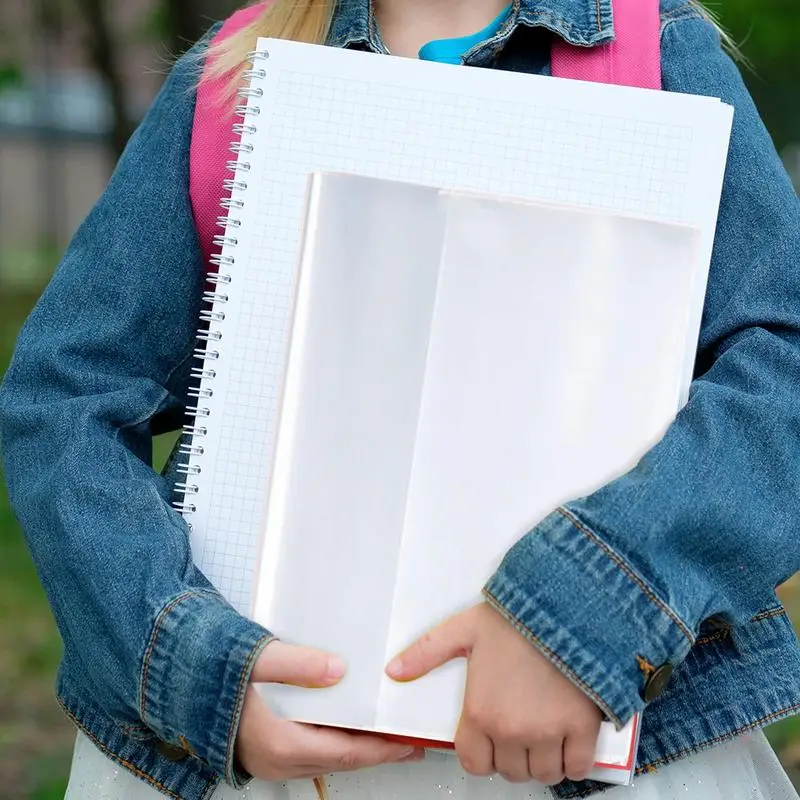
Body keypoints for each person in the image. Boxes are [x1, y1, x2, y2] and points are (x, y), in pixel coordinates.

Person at [1, 0, 799, 799]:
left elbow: (785, 364)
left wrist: (582, 617)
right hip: (262, 746)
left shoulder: (656, 53)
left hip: (608, 734)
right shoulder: (231, 76)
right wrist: (193, 671)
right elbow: (65, 397)